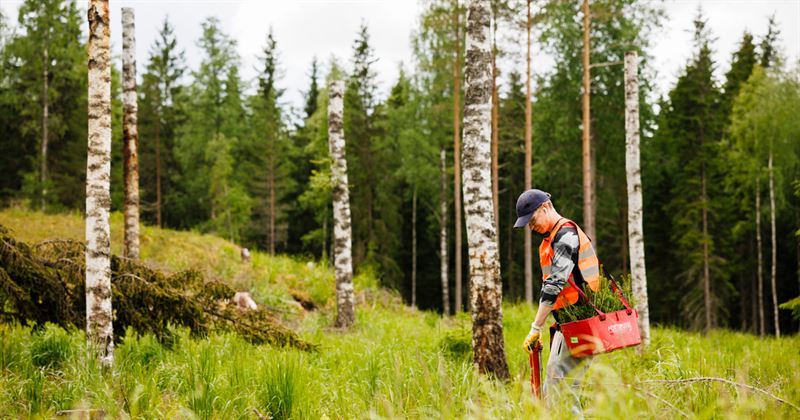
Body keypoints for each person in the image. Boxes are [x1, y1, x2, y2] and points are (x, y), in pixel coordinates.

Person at [513, 188, 601, 403]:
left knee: (561, 394)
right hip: (568, 323)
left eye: (532, 220)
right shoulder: (551, 238)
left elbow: (555, 285)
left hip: (582, 322)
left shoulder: (566, 236)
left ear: (545, 207)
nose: (531, 227)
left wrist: (536, 327)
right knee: (555, 391)